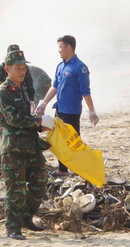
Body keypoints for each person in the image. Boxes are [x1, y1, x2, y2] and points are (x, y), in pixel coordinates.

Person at [0, 48, 52, 240]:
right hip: (13, 148)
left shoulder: (22, 89)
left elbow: (25, 117)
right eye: (18, 68)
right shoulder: (3, 92)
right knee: (16, 189)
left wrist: (40, 125)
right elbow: (13, 119)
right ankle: (13, 227)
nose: (22, 71)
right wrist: (38, 122)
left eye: (23, 67)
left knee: (40, 183)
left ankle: (26, 218)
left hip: (30, 145)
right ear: (7, 69)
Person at [36, 35, 97, 176]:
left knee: (73, 141)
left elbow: (85, 91)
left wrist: (92, 111)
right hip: (59, 109)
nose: (58, 50)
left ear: (68, 47)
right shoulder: (61, 66)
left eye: (60, 47)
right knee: (60, 140)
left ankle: (81, 169)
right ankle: (63, 170)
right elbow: (54, 86)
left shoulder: (80, 67)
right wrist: (44, 102)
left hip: (71, 112)